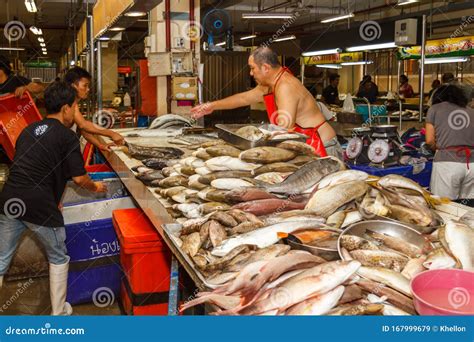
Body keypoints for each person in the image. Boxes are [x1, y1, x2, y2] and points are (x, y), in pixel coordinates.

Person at [0, 81, 108, 315]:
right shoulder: (67, 136)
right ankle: (59, 314)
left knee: (1, 260)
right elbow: (80, 179)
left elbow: (37, 168)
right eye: (75, 106)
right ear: (66, 108)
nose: (74, 111)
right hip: (38, 203)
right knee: (58, 257)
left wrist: (55, 198)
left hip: (9, 199)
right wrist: (96, 186)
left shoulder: (28, 130)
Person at [191, 47, 343, 159]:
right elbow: (244, 98)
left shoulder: (285, 87)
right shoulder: (271, 83)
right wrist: (211, 106)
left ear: (265, 68)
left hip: (323, 146)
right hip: (306, 143)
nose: (251, 73)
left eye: (252, 68)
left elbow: (284, 129)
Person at [425, 84, 474, 200]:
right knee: (469, 208)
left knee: (443, 205)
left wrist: (437, 148)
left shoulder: (434, 109)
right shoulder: (472, 111)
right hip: (472, 165)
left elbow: (429, 140)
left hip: (447, 165)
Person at [64, 67, 124, 151]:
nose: (88, 89)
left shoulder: (73, 102)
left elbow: (83, 130)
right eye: (85, 85)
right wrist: (111, 133)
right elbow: (83, 125)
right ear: (73, 85)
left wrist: (100, 145)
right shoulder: (68, 102)